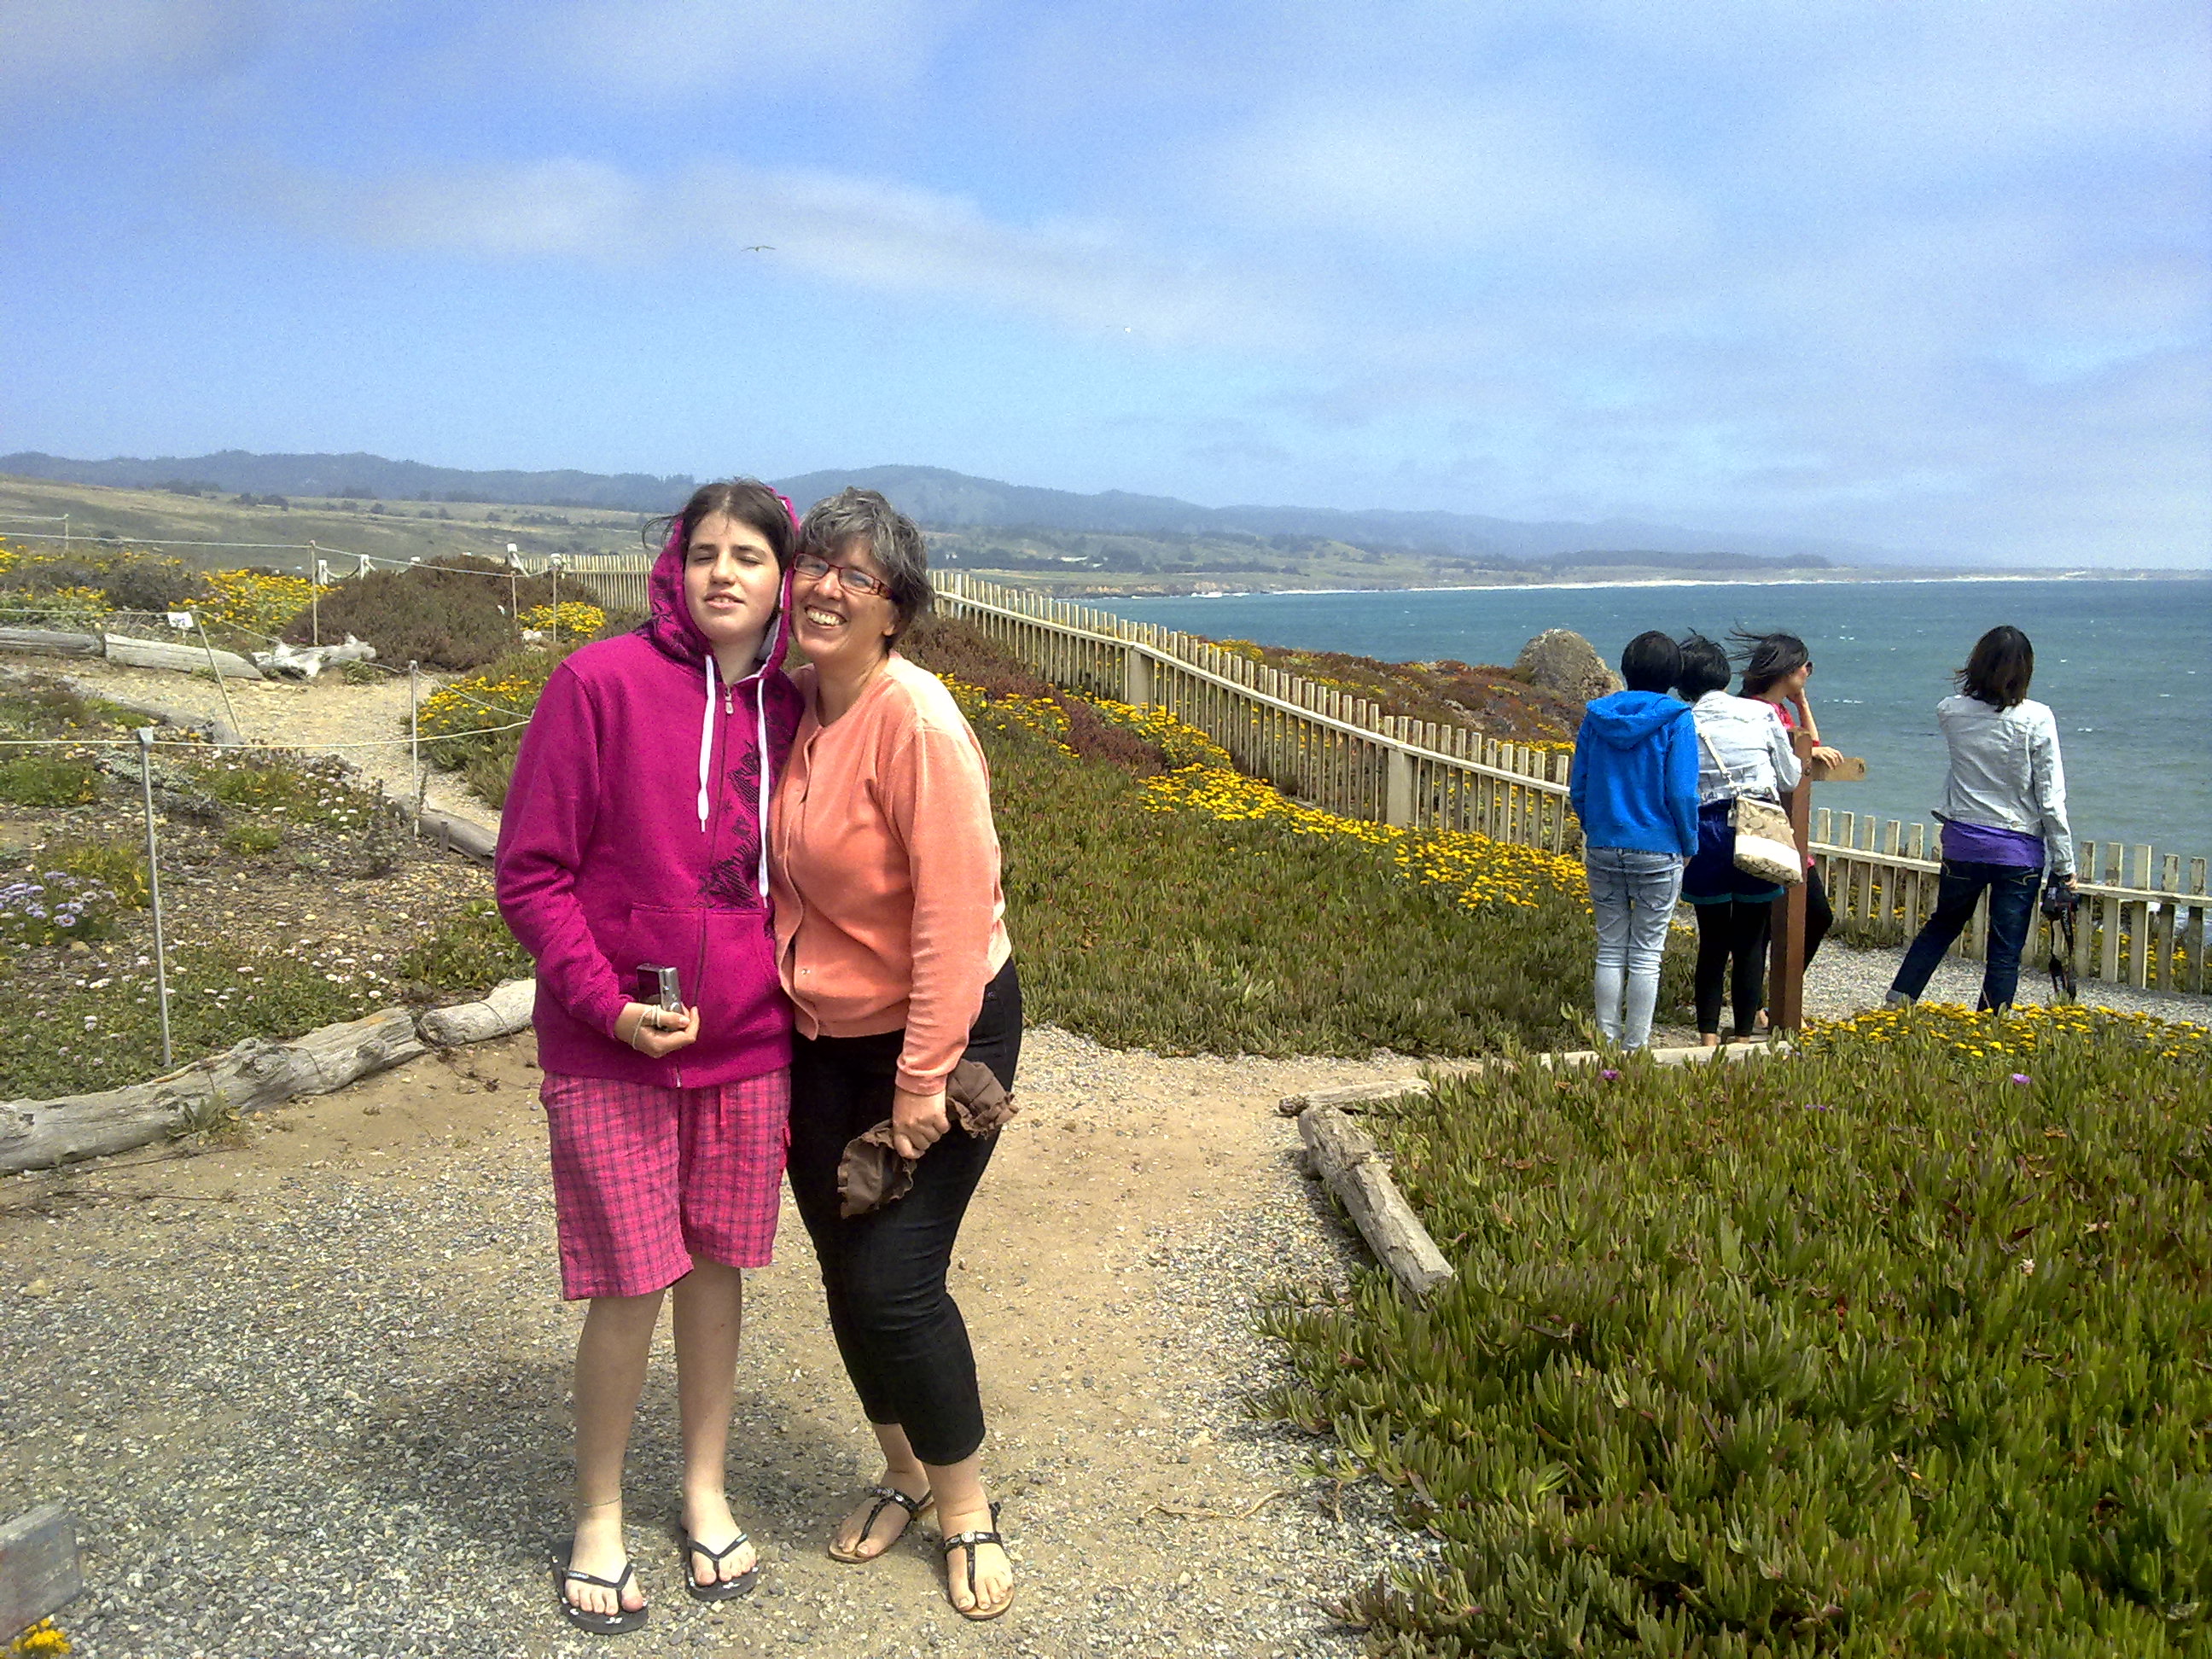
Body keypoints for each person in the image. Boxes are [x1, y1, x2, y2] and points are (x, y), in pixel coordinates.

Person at [496, 480, 804, 1634]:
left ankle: (705, 1491)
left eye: (750, 557)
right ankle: (598, 1515)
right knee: (630, 1282)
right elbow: (531, 873)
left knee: (717, 1271)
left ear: (783, 581)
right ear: (674, 564)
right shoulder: (597, 683)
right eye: (705, 551)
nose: (724, 573)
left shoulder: (796, 704)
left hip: (749, 1048)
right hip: (609, 1047)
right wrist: (607, 1005)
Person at [768, 488, 1022, 1622]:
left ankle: (966, 1508)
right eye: (814, 563)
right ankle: (906, 1471)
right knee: (841, 1266)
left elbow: (956, 918)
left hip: (941, 1032)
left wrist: (924, 1078)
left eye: (856, 575)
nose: (826, 586)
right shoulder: (791, 706)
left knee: (895, 1280)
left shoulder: (913, 717)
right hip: (824, 1037)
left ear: (894, 611)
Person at [1888, 626, 2074, 1010]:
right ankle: (1990, 1025)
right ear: (2025, 669)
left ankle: (1897, 1003)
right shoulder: (2037, 717)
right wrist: (2065, 864)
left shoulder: (1950, 711)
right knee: (2005, 949)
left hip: (1964, 841)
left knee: (1942, 926)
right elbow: (2050, 798)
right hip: (2017, 846)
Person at [1568, 631, 1699, 1049]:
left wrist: (1596, 828)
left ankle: (1605, 1044)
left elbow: (1579, 787)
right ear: (1674, 675)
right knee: (1646, 953)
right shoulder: (1677, 718)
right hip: (1659, 847)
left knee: (1610, 948)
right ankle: (1634, 1049)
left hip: (1604, 843)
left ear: (1626, 669)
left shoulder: (1596, 717)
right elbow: (1683, 792)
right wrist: (1689, 843)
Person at [1676, 632, 1802, 1045]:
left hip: (1705, 831)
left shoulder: (1681, 722)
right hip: (1756, 828)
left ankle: (1707, 1038)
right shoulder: (1760, 714)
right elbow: (1790, 777)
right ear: (1725, 676)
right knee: (1750, 940)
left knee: (1712, 940)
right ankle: (1744, 1037)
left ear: (1682, 684)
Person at [1731, 630, 1843, 1023]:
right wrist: (1810, 748)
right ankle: (1763, 1005)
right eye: (1805, 665)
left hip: (1782, 833)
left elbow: (1809, 747)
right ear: (1788, 668)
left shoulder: (1777, 709)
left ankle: (1767, 1003)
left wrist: (1802, 703)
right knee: (1777, 922)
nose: (1809, 671)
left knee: (1793, 918)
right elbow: (1799, 760)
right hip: (1767, 830)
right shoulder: (1758, 712)